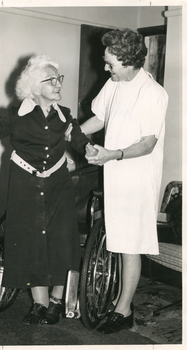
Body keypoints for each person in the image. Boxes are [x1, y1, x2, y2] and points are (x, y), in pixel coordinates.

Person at [0, 55, 93, 326]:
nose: (58, 84)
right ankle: (39, 303)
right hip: (24, 183)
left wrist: (87, 148)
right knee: (30, 241)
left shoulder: (64, 114)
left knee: (60, 241)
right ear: (34, 87)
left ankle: (56, 301)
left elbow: (78, 137)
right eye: (51, 80)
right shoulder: (15, 116)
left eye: (59, 79)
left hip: (58, 185)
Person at [81, 28, 168, 334]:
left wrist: (112, 154)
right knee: (117, 237)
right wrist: (72, 135)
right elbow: (100, 119)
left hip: (137, 176)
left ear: (127, 60)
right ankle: (117, 303)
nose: (105, 67)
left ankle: (124, 310)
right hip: (114, 169)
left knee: (130, 244)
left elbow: (147, 144)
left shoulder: (153, 93)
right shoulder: (114, 83)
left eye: (109, 63)